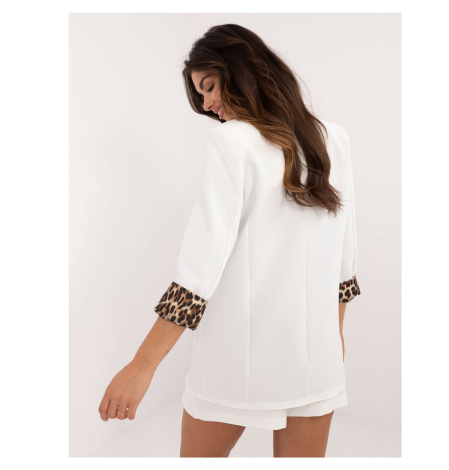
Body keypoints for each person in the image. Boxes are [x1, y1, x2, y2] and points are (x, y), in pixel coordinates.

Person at [98, 23, 361, 458]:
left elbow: (198, 270)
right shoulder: (334, 138)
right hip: (317, 360)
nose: (206, 104)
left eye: (209, 87)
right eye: (200, 94)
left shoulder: (231, 143)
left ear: (239, 70)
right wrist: (334, 335)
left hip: (238, 361)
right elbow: (345, 259)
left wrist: (142, 366)